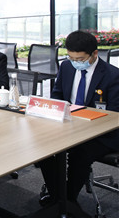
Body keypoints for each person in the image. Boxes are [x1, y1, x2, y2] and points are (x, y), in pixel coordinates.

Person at [39, 30, 119, 206]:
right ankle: (58, 196)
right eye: (71, 58)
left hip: (102, 133)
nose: (76, 63)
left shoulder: (113, 75)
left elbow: (114, 115)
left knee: (79, 155)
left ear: (94, 54)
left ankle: (67, 200)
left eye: (80, 59)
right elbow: (57, 96)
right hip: (70, 126)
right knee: (43, 148)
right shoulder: (67, 67)